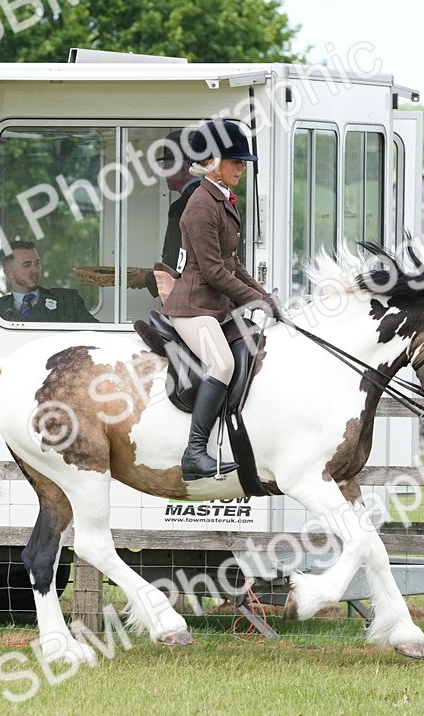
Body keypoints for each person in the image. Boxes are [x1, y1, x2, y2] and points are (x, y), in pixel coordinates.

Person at [161, 119, 280, 480]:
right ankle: (195, 452)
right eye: (236, 162)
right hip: (193, 307)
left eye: (243, 163)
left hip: (215, 307)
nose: (242, 168)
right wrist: (256, 302)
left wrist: (266, 296)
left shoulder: (223, 199)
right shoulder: (200, 205)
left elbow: (234, 263)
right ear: (211, 161)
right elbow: (213, 272)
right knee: (223, 364)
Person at [149, 131, 201, 305]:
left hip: (186, 298)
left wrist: (147, 279)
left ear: (183, 166)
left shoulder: (182, 205)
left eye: (167, 164)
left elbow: (176, 258)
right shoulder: (208, 197)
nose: (163, 171)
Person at [0, 242, 99, 324]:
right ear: (9, 273)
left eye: (37, 263)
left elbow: (95, 335)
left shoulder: (68, 299)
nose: (35, 269)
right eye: (27, 265)